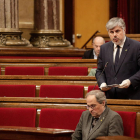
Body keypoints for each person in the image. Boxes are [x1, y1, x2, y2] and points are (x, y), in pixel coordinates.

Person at [95, 17, 140, 99]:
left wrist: (130, 81)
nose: (114, 35)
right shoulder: (104, 48)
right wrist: (102, 83)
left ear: (124, 30)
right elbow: (100, 70)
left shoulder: (136, 46)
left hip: (131, 95)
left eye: (117, 31)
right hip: (111, 96)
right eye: (111, 32)